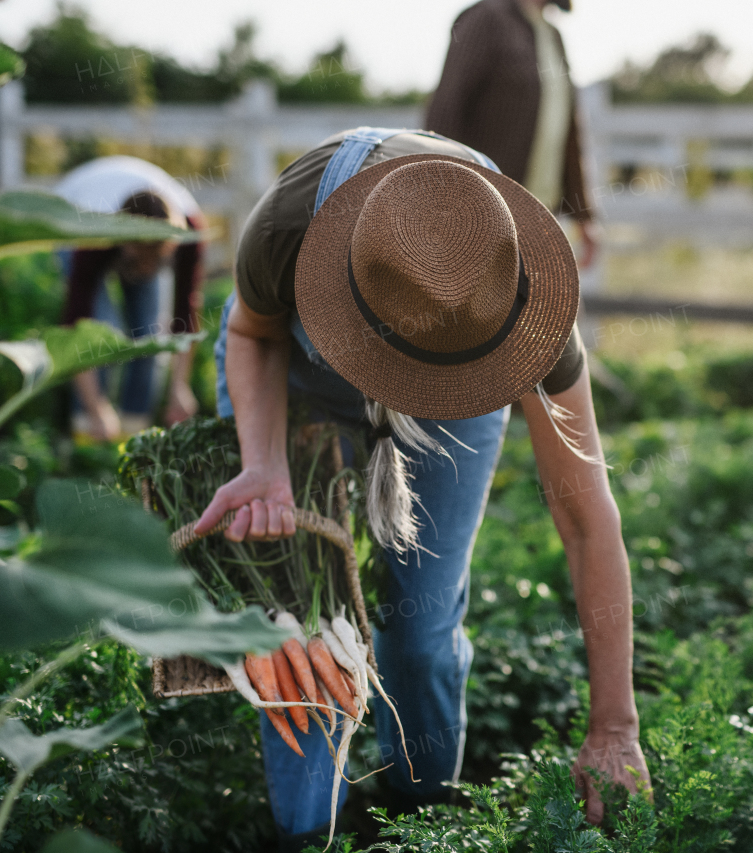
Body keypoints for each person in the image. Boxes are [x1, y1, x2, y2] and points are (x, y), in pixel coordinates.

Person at [193, 127, 649, 851]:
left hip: (457, 395)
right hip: (294, 376)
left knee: (423, 625)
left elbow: (587, 516)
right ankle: (307, 834)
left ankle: (422, 820)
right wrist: (264, 464)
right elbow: (252, 332)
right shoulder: (289, 223)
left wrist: (615, 727)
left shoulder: (525, 304)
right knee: (304, 623)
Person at [425, 0, 598, 270]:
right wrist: (438, 204)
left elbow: (567, 129)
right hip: (482, 218)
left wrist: (583, 216)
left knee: (552, 308)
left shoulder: (553, 35)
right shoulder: (486, 18)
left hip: (542, 217)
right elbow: (445, 110)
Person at [56, 156, 207, 440]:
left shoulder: (190, 233)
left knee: (150, 336)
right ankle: (87, 434)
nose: (147, 270)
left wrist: (179, 388)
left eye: (156, 260)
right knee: (101, 331)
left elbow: (184, 315)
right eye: (140, 259)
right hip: (77, 218)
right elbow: (75, 327)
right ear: (125, 244)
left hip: (127, 231)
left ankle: (133, 434)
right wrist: (96, 408)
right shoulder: (92, 241)